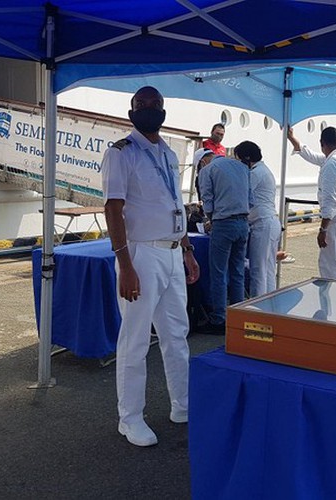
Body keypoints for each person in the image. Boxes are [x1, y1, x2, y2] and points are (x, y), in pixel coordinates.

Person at [101, 86, 200, 447]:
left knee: (176, 334)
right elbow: (113, 209)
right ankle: (129, 418)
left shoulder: (169, 153)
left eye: (155, 104)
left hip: (173, 253)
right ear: (131, 111)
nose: (148, 109)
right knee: (136, 338)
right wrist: (125, 264)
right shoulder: (121, 154)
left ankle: (183, 404)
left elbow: (176, 204)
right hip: (140, 255)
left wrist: (187, 249)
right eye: (141, 105)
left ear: (163, 109)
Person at [287, 126, 336, 280]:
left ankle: (334, 295)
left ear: (322, 143)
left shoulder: (332, 164)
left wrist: (323, 229)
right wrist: (292, 138)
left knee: (331, 261)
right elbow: (312, 156)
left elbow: (330, 199)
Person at [198, 154, 251, 334]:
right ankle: (238, 315)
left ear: (203, 160)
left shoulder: (207, 170)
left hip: (223, 223)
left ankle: (219, 318)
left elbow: (207, 199)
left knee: (219, 273)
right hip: (243, 223)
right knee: (237, 271)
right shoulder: (243, 167)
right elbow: (250, 199)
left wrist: (211, 220)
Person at [234, 140, 280, 297]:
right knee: (268, 268)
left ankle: (257, 308)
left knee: (257, 269)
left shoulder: (255, 173)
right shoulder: (264, 170)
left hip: (262, 224)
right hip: (270, 222)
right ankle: (270, 305)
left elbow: (241, 195)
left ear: (246, 159)